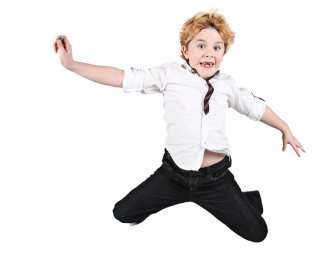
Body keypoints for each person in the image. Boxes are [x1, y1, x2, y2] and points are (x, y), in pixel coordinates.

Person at [54, 10, 305, 242]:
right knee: (122, 213)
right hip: (173, 175)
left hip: (215, 180)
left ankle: (242, 200)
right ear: (186, 51)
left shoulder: (227, 85)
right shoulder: (169, 75)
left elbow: (256, 107)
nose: (209, 52)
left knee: (258, 233)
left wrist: (285, 128)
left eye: (217, 47)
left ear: (223, 54)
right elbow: (122, 77)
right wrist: (72, 65)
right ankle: (177, 201)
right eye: (201, 45)